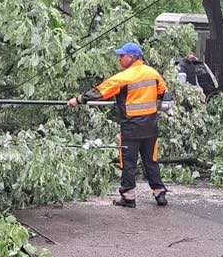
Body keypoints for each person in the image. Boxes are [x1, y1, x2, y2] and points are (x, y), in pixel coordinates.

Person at [67, 41, 169, 208]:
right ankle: (160, 193)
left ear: (131, 57)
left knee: (128, 161)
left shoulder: (124, 77)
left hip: (131, 126)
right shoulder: (153, 73)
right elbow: (162, 92)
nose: (119, 60)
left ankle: (128, 197)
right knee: (151, 159)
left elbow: (100, 92)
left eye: (121, 56)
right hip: (151, 124)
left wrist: (77, 100)